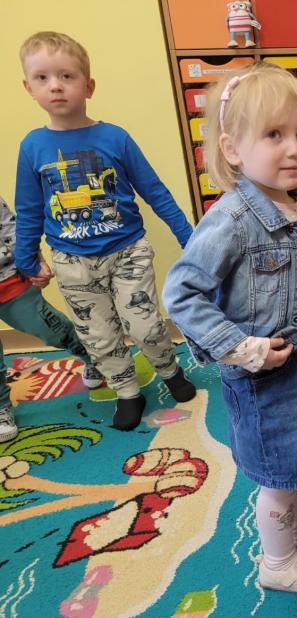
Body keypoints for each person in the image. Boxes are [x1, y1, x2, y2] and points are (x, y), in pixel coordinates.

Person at [163, 62, 297, 595]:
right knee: (277, 474)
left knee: (296, 465)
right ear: (232, 149)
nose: (295, 148)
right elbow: (181, 293)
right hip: (266, 381)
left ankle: (296, 530)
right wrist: (240, 347)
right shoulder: (231, 220)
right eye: (274, 135)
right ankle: (277, 560)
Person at [14, 31, 196, 431]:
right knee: (98, 335)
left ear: (89, 85)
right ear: (28, 88)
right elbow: (28, 210)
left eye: (66, 76)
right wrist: (26, 259)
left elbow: (155, 191)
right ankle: (127, 391)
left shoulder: (115, 138)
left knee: (145, 326)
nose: (56, 86)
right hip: (71, 262)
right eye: (43, 78)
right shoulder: (32, 147)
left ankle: (170, 370)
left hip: (128, 251)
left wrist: (188, 236)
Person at [0, 195, 104, 442]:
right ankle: (1, 408)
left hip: (9, 280)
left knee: (52, 329)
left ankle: (92, 356)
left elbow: (11, 227)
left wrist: (32, 261)